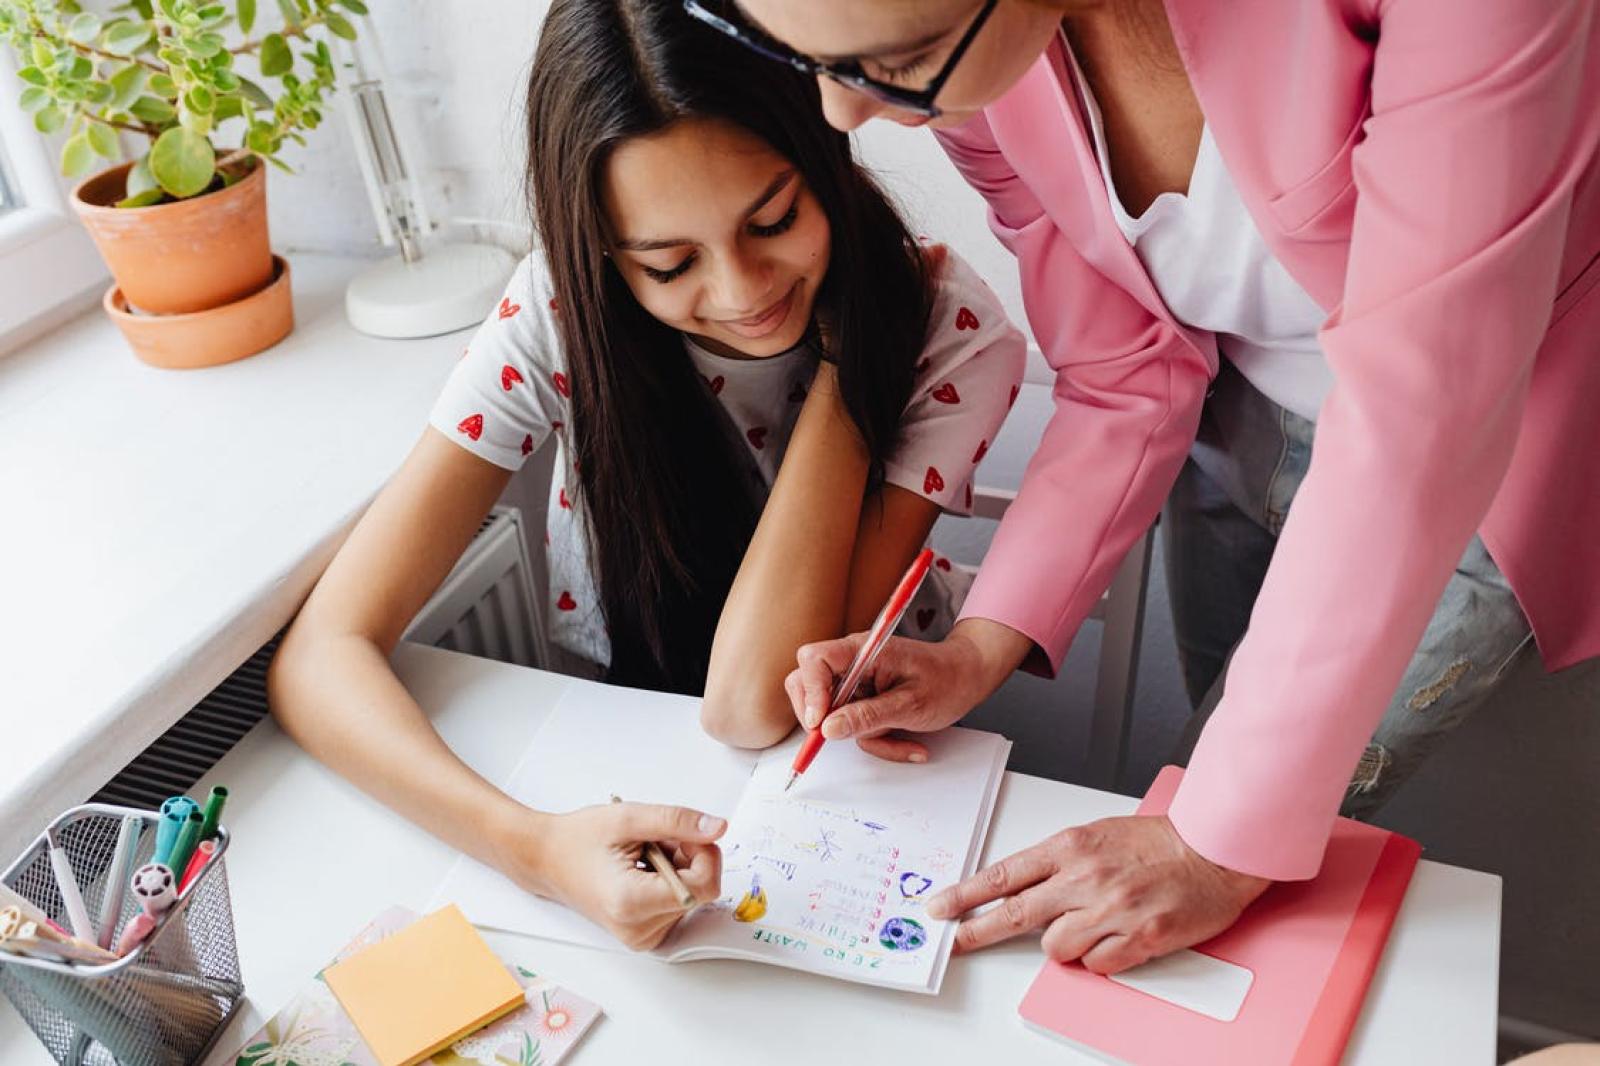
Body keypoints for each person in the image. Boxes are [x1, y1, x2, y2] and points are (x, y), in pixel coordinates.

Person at [702, 0, 1600, 973]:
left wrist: (1213, 842)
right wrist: (975, 647)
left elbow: (1427, 397)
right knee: (1191, 788)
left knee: (1226, 844)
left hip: (1498, 446)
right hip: (1233, 418)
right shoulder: (957, 50)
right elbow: (1122, 361)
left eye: (899, 59)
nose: (841, 113)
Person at [267, 0, 1025, 950]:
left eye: (776, 218)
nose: (743, 292)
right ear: (602, 255)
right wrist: (534, 850)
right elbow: (320, 656)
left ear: (829, 149)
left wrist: (845, 360)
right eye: (668, 263)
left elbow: (754, 702)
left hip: (854, 776)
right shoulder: (561, 311)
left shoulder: (948, 331)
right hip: (625, 752)